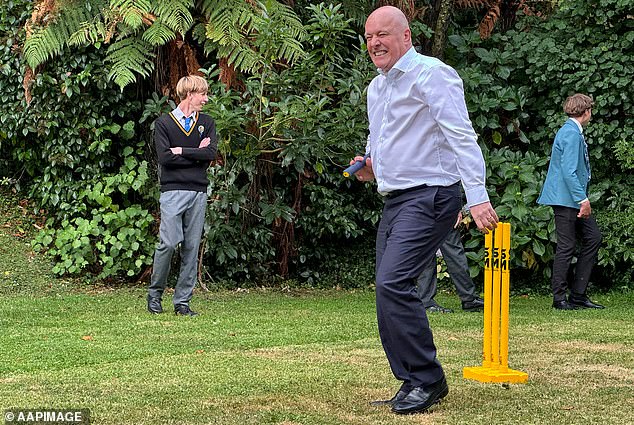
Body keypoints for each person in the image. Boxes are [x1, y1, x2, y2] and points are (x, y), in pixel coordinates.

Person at [351, 6, 498, 415]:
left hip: (432, 194)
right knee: (386, 288)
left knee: (394, 281)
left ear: (406, 36)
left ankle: (429, 380)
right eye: (369, 37)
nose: (375, 43)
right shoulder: (376, 89)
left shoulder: (433, 74)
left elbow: (460, 135)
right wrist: (370, 164)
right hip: (397, 197)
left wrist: (477, 196)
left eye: (383, 34)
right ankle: (412, 379)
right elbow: (379, 139)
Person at [147, 75, 217, 317]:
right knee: (168, 243)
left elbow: (209, 153)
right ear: (189, 94)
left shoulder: (206, 123)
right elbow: (165, 158)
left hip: (198, 191)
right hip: (172, 191)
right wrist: (195, 153)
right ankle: (154, 295)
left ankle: (182, 302)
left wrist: (182, 151)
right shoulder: (164, 124)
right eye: (202, 94)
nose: (206, 99)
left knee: (191, 246)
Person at [537, 93, 603, 311]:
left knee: (593, 237)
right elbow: (569, 171)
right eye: (590, 110)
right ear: (586, 112)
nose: (590, 114)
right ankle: (559, 298)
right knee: (566, 246)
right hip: (567, 199)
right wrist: (583, 199)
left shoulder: (571, 131)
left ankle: (578, 294)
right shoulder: (571, 134)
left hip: (571, 198)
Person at [417, 212, 485, 313]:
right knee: (452, 251)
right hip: (440, 206)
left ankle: (426, 301)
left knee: (428, 251)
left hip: (422, 206)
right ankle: (469, 298)